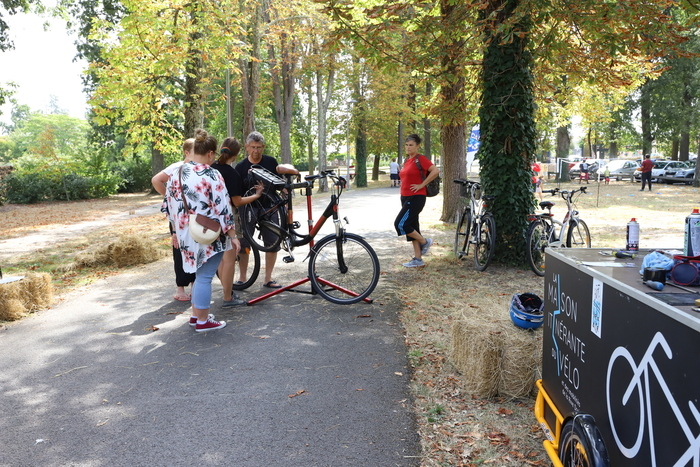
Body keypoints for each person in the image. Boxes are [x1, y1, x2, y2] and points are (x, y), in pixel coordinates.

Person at [164, 128, 240, 332]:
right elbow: (223, 208)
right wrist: (232, 235)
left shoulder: (176, 172)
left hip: (185, 232)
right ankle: (204, 321)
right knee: (205, 275)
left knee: (199, 275)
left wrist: (175, 231)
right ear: (210, 153)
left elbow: (168, 206)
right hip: (208, 232)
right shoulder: (212, 173)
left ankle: (196, 315)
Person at [234, 131, 299, 288]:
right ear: (247, 147)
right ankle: (243, 278)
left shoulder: (270, 162)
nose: (256, 151)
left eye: (259, 147)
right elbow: (237, 194)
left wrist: (287, 201)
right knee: (244, 243)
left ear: (263, 147)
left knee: (272, 241)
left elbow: (281, 185)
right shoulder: (241, 167)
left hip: (269, 208)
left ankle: (267, 278)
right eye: (253, 147)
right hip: (248, 208)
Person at [211, 137, 264, 306]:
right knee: (229, 259)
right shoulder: (232, 174)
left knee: (219, 258)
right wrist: (256, 195)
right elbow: (237, 201)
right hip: (227, 217)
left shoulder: (210, 169)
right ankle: (228, 297)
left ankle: (227, 291)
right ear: (237, 154)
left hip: (210, 217)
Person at [151, 138, 196, 302]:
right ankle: (180, 288)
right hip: (177, 218)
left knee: (194, 248)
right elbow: (156, 180)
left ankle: (194, 285)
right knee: (179, 250)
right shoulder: (176, 167)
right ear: (186, 152)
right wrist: (170, 197)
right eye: (195, 151)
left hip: (192, 217)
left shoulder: (197, 168)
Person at [393, 134, 440, 268]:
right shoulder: (407, 160)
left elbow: (435, 171)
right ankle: (418, 259)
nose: (408, 147)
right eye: (407, 145)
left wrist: (422, 184)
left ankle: (425, 242)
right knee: (413, 227)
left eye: (411, 145)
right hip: (405, 197)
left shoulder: (421, 159)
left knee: (401, 224)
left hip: (416, 197)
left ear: (417, 146)